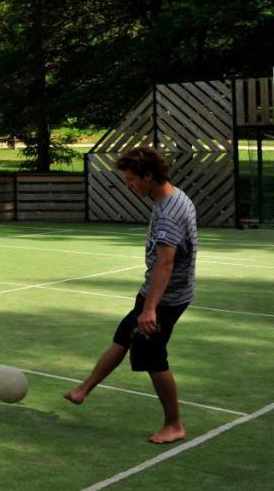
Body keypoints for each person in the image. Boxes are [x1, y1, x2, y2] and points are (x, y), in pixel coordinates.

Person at [65, 145, 196, 444]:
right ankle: (84, 389)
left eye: (132, 179)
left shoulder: (168, 215)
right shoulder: (176, 196)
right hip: (159, 291)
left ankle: (174, 424)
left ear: (148, 176)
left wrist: (149, 310)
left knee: (152, 356)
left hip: (165, 297)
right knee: (124, 335)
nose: (129, 185)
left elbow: (166, 263)